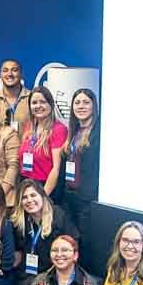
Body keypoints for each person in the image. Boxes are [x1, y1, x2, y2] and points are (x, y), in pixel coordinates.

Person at [11, 181, 80, 281]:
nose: (29, 200)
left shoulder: (58, 216)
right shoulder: (20, 221)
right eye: (24, 197)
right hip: (28, 275)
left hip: (54, 274)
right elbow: (17, 249)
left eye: (33, 195)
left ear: (42, 196)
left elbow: (73, 246)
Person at [61, 88, 101, 256]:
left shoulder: (100, 132)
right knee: (71, 241)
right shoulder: (74, 131)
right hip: (70, 197)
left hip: (86, 199)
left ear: (94, 106)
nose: (81, 106)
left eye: (86, 102)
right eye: (77, 103)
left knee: (85, 243)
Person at [18, 87, 69, 204]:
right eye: (34, 103)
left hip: (45, 188)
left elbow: (56, 169)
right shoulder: (29, 127)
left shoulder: (58, 130)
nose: (38, 106)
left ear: (51, 104)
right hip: (25, 185)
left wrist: (42, 197)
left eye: (43, 102)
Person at [0, 59, 31, 131]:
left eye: (14, 70)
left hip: (26, 142)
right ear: (0, 75)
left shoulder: (32, 98)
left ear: (21, 74)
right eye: (5, 70)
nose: (9, 74)